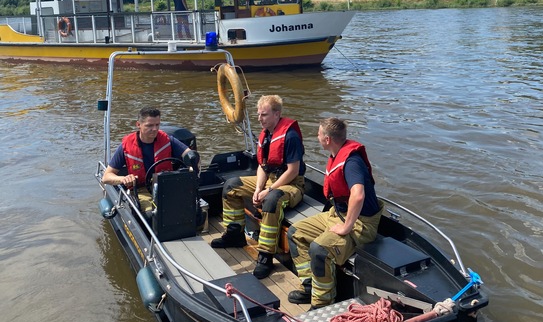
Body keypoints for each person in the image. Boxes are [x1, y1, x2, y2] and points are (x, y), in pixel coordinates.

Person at [287, 117, 383, 309]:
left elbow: (358, 195)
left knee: (319, 249)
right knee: (296, 233)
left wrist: (347, 226)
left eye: (319, 133)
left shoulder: (351, 162)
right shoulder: (337, 154)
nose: (317, 136)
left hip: (360, 223)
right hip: (336, 213)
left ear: (328, 139)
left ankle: (322, 303)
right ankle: (309, 287)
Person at [211, 95, 306, 280]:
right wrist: (257, 189)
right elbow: (263, 165)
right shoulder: (266, 134)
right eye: (258, 114)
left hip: (291, 184)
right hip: (270, 179)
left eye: (264, 114)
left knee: (271, 202)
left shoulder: (290, 136)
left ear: (277, 114)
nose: (259, 118)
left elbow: (293, 171)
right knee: (232, 186)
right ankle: (234, 234)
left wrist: (268, 191)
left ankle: (265, 257)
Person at [102, 107, 199, 213]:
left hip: (166, 185)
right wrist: (124, 179)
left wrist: (192, 163)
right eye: (150, 125)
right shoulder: (126, 146)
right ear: (138, 125)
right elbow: (106, 177)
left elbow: (190, 154)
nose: (155, 129)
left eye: (157, 125)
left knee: (187, 208)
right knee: (152, 213)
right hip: (141, 189)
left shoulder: (168, 140)